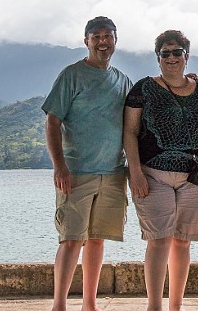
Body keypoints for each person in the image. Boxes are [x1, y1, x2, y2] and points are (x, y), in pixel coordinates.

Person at [42, 16, 132, 311]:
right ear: (87, 42)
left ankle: (89, 305)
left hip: (114, 172)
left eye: (108, 36)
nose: (102, 42)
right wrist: (59, 166)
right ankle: (59, 305)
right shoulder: (72, 75)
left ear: (116, 41)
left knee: (97, 240)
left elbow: (134, 123)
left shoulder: (122, 80)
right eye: (96, 37)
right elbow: (52, 121)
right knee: (71, 240)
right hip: (76, 172)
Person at [123, 30, 198, 311]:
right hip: (152, 174)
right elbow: (129, 131)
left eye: (177, 52)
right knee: (158, 240)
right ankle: (154, 306)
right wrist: (135, 172)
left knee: (183, 242)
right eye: (166, 53)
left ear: (187, 56)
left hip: (194, 177)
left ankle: (176, 305)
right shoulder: (143, 88)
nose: (172, 57)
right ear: (158, 57)